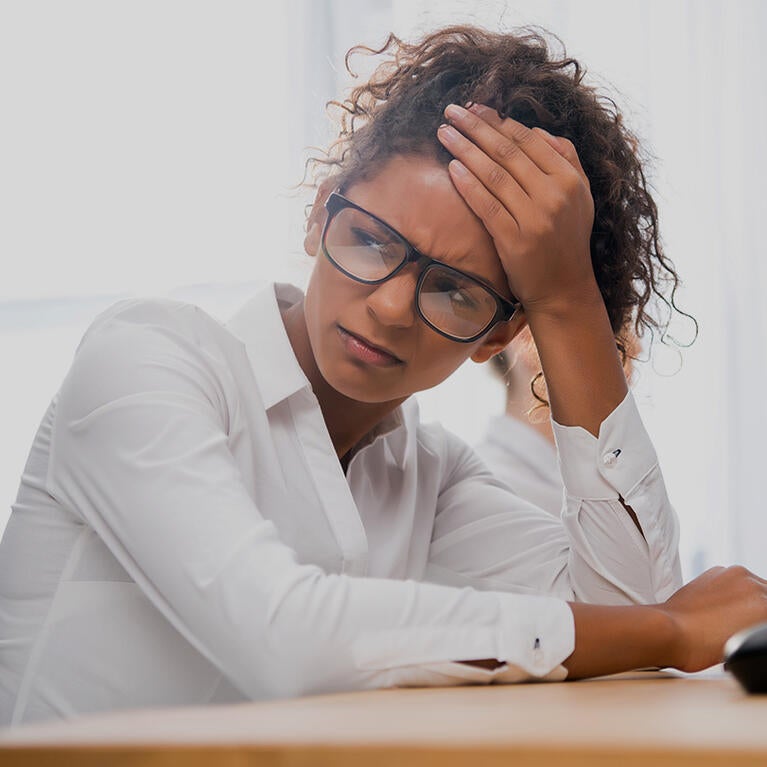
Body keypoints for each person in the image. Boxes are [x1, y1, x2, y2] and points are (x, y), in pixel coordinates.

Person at [2, 23, 766, 727]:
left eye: (453, 289)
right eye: (370, 241)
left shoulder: (429, 480)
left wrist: (565, 301)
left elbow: (624, 609)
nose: (393, 306)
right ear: (317, 215)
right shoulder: (147, 361)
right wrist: (670, 626)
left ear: (497, 333)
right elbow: (286, 639)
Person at [476, 328, 638, 514]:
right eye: (619, 326)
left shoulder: (604, 482)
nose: (636, 348)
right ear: (529, 339)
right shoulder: (491, 491)